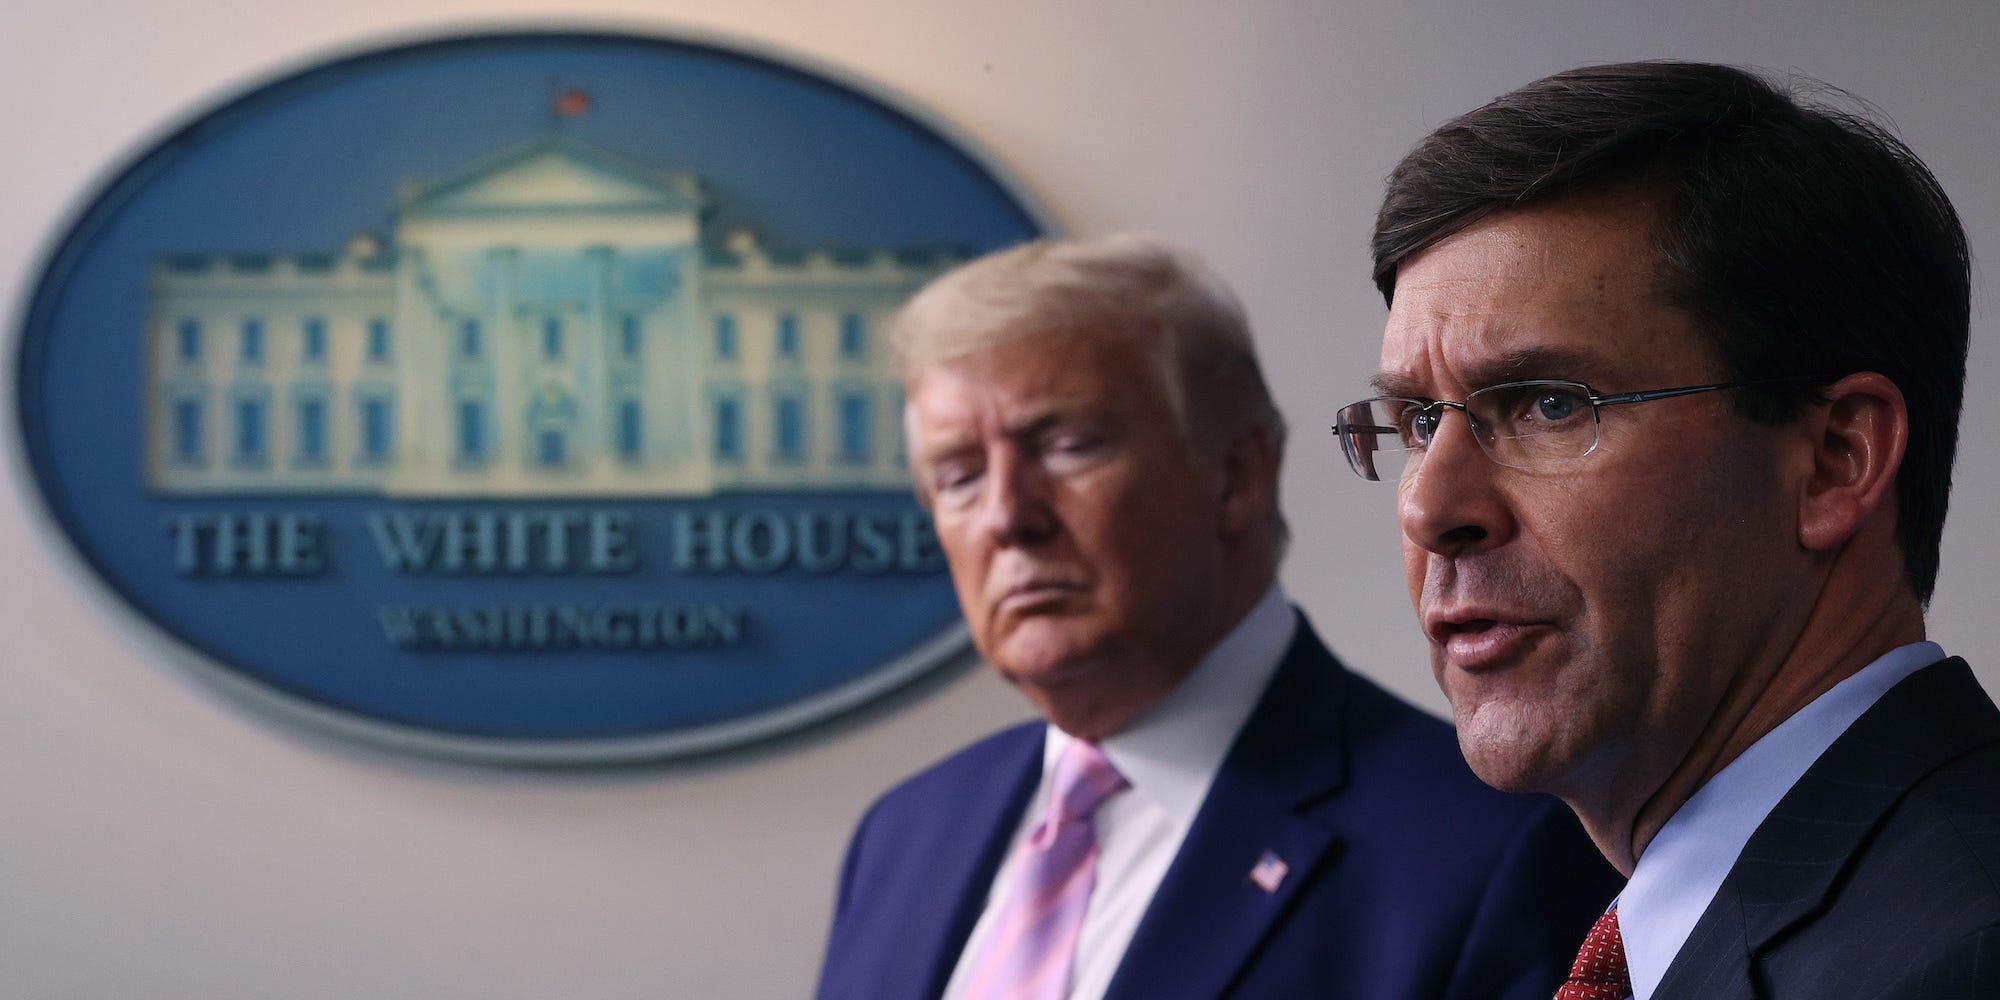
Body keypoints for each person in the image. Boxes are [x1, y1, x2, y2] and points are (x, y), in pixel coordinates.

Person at [1337, 61, 1999, 999]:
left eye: (1549, 405)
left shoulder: (1964, 955)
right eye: (1416, 422)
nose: (1429, 509)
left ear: (1834, 460)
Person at [815, 234, 1621, 1000]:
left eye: (1066, 446)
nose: (1006, 517)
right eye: (958, 476)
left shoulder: (1495, 852)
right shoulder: (901, 837)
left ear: (1236, 476)